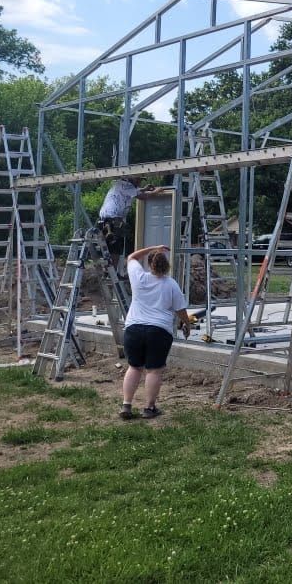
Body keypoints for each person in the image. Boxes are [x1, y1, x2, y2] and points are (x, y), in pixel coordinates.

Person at [119, 245, 190, 420]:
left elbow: (131, 257)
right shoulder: (171, 284)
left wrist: (155, 248)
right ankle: (149, 408)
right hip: (159, 331)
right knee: (154, 371)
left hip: (133, 329)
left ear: (149, 264)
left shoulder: (139, 277)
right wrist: (186, 323)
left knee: (134, 367)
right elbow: (180, 309)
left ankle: (126, 406)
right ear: (166, 266)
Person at [98, 176, 155, 269]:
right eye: (139, 180)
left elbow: (134, 191)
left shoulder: (121, 184)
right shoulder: (127, 186)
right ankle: (113, 273)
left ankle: (108, 272)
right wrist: (157, 192)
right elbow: (142, 197)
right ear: (133, 179)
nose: (139, 183)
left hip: (106, 219)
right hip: (113, 219)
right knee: (115, 249)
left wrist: (144, 189)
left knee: (109, 248)